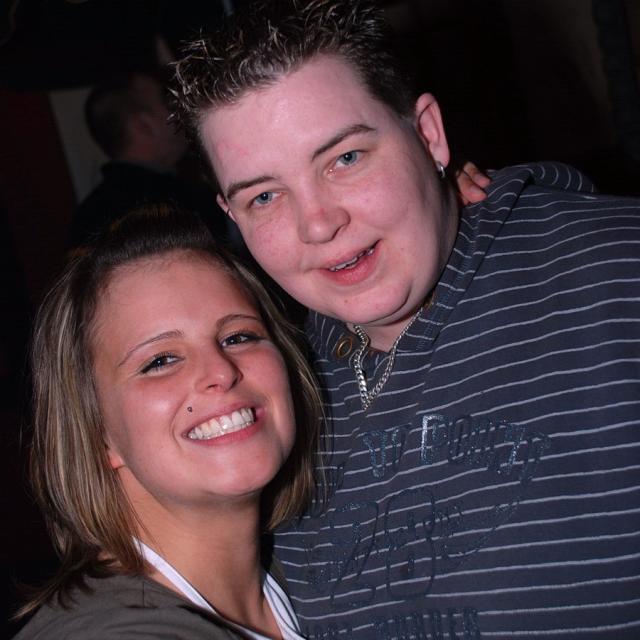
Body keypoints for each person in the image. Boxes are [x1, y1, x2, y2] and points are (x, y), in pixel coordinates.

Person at [169, 0, 640, 638]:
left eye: (345, 159)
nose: (318, 223)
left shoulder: (617, 278)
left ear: (429, 134)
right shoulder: (270, 389)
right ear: (232, 215)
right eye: (265, 196)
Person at [14, 205, 322, 639]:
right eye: (160, 361)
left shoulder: (325, 572)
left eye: (239, 336)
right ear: (96, 433)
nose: (220, 372)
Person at [69, 72, 227, 248]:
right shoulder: (175, 203)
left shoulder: (89, 214)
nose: (181, 111)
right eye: (168, 103)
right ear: (143, 126)